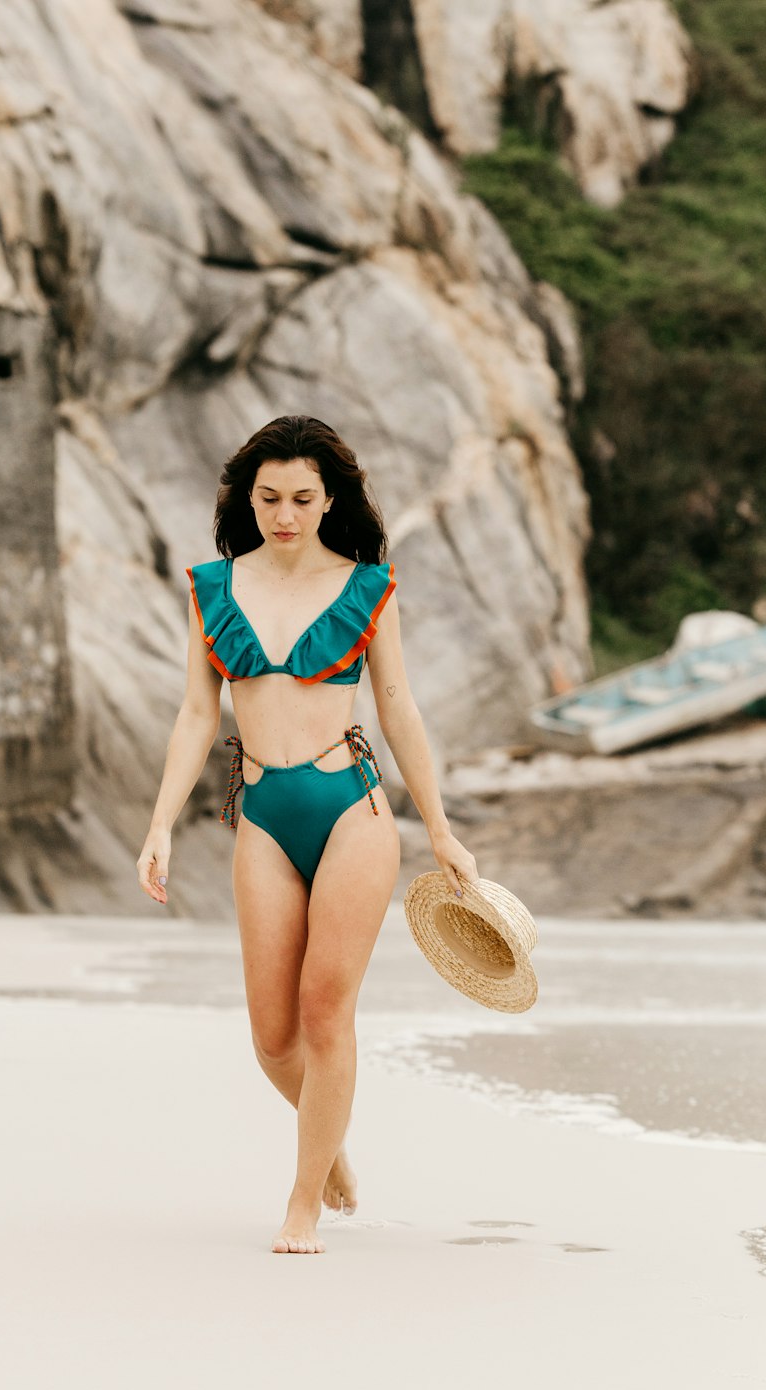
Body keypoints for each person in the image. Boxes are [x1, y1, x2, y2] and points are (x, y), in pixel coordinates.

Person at [137, 415, 478, 1253]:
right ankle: (332, 1146)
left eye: (300, 498)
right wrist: (160, 829)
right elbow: (194, 713)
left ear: (330, 501)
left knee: (326, 1014)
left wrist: (441, 829)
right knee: (271, 1036)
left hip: (351, 810)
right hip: (261, 817)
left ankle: (302, 1201)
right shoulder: (214, 586)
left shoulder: (368, 586)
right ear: (246, 498)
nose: (282, 514)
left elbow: (398, 708)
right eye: (267, 498)